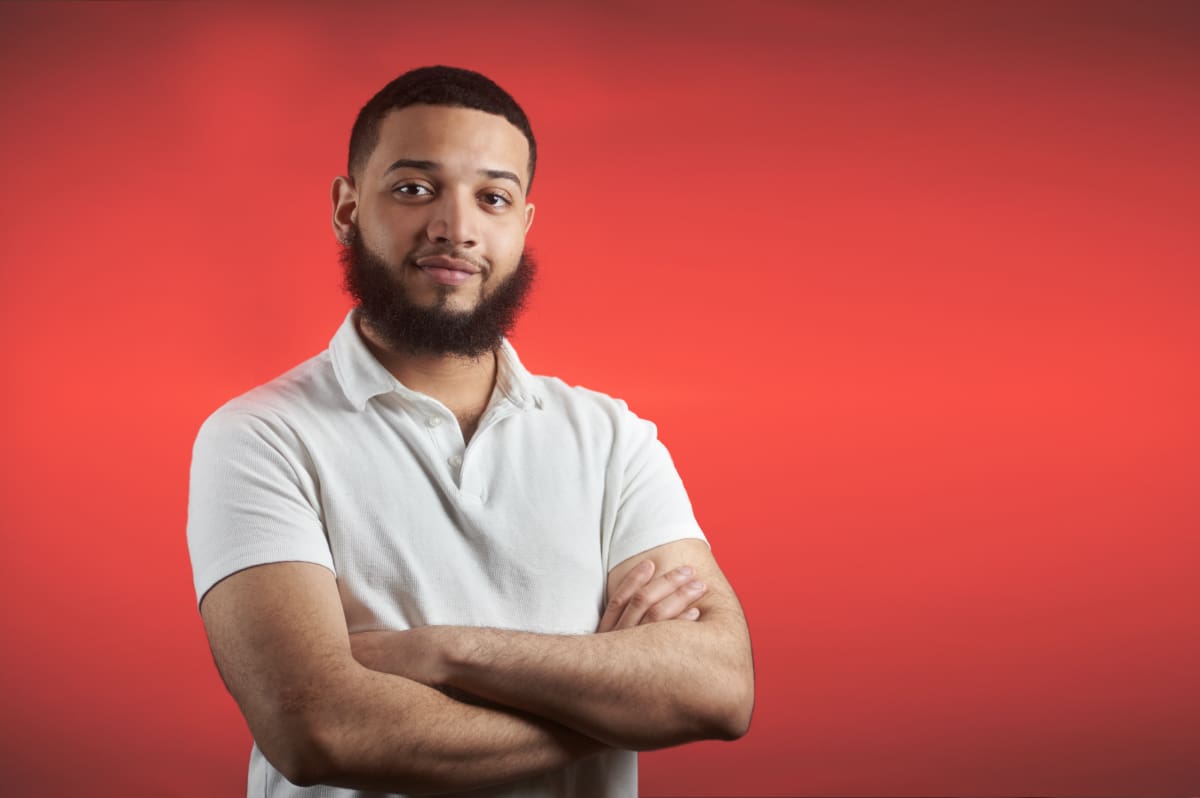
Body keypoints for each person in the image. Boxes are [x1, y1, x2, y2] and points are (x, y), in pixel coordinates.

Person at [187, 65, 754, 798]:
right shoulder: (260, 437)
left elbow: (720, 686)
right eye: (415, 189)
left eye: (492, 197)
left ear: (523, 224)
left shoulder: (613, 438)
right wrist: (620, 702)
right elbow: (318, 729)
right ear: (347, 207)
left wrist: (439, 652)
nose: (456, 229)